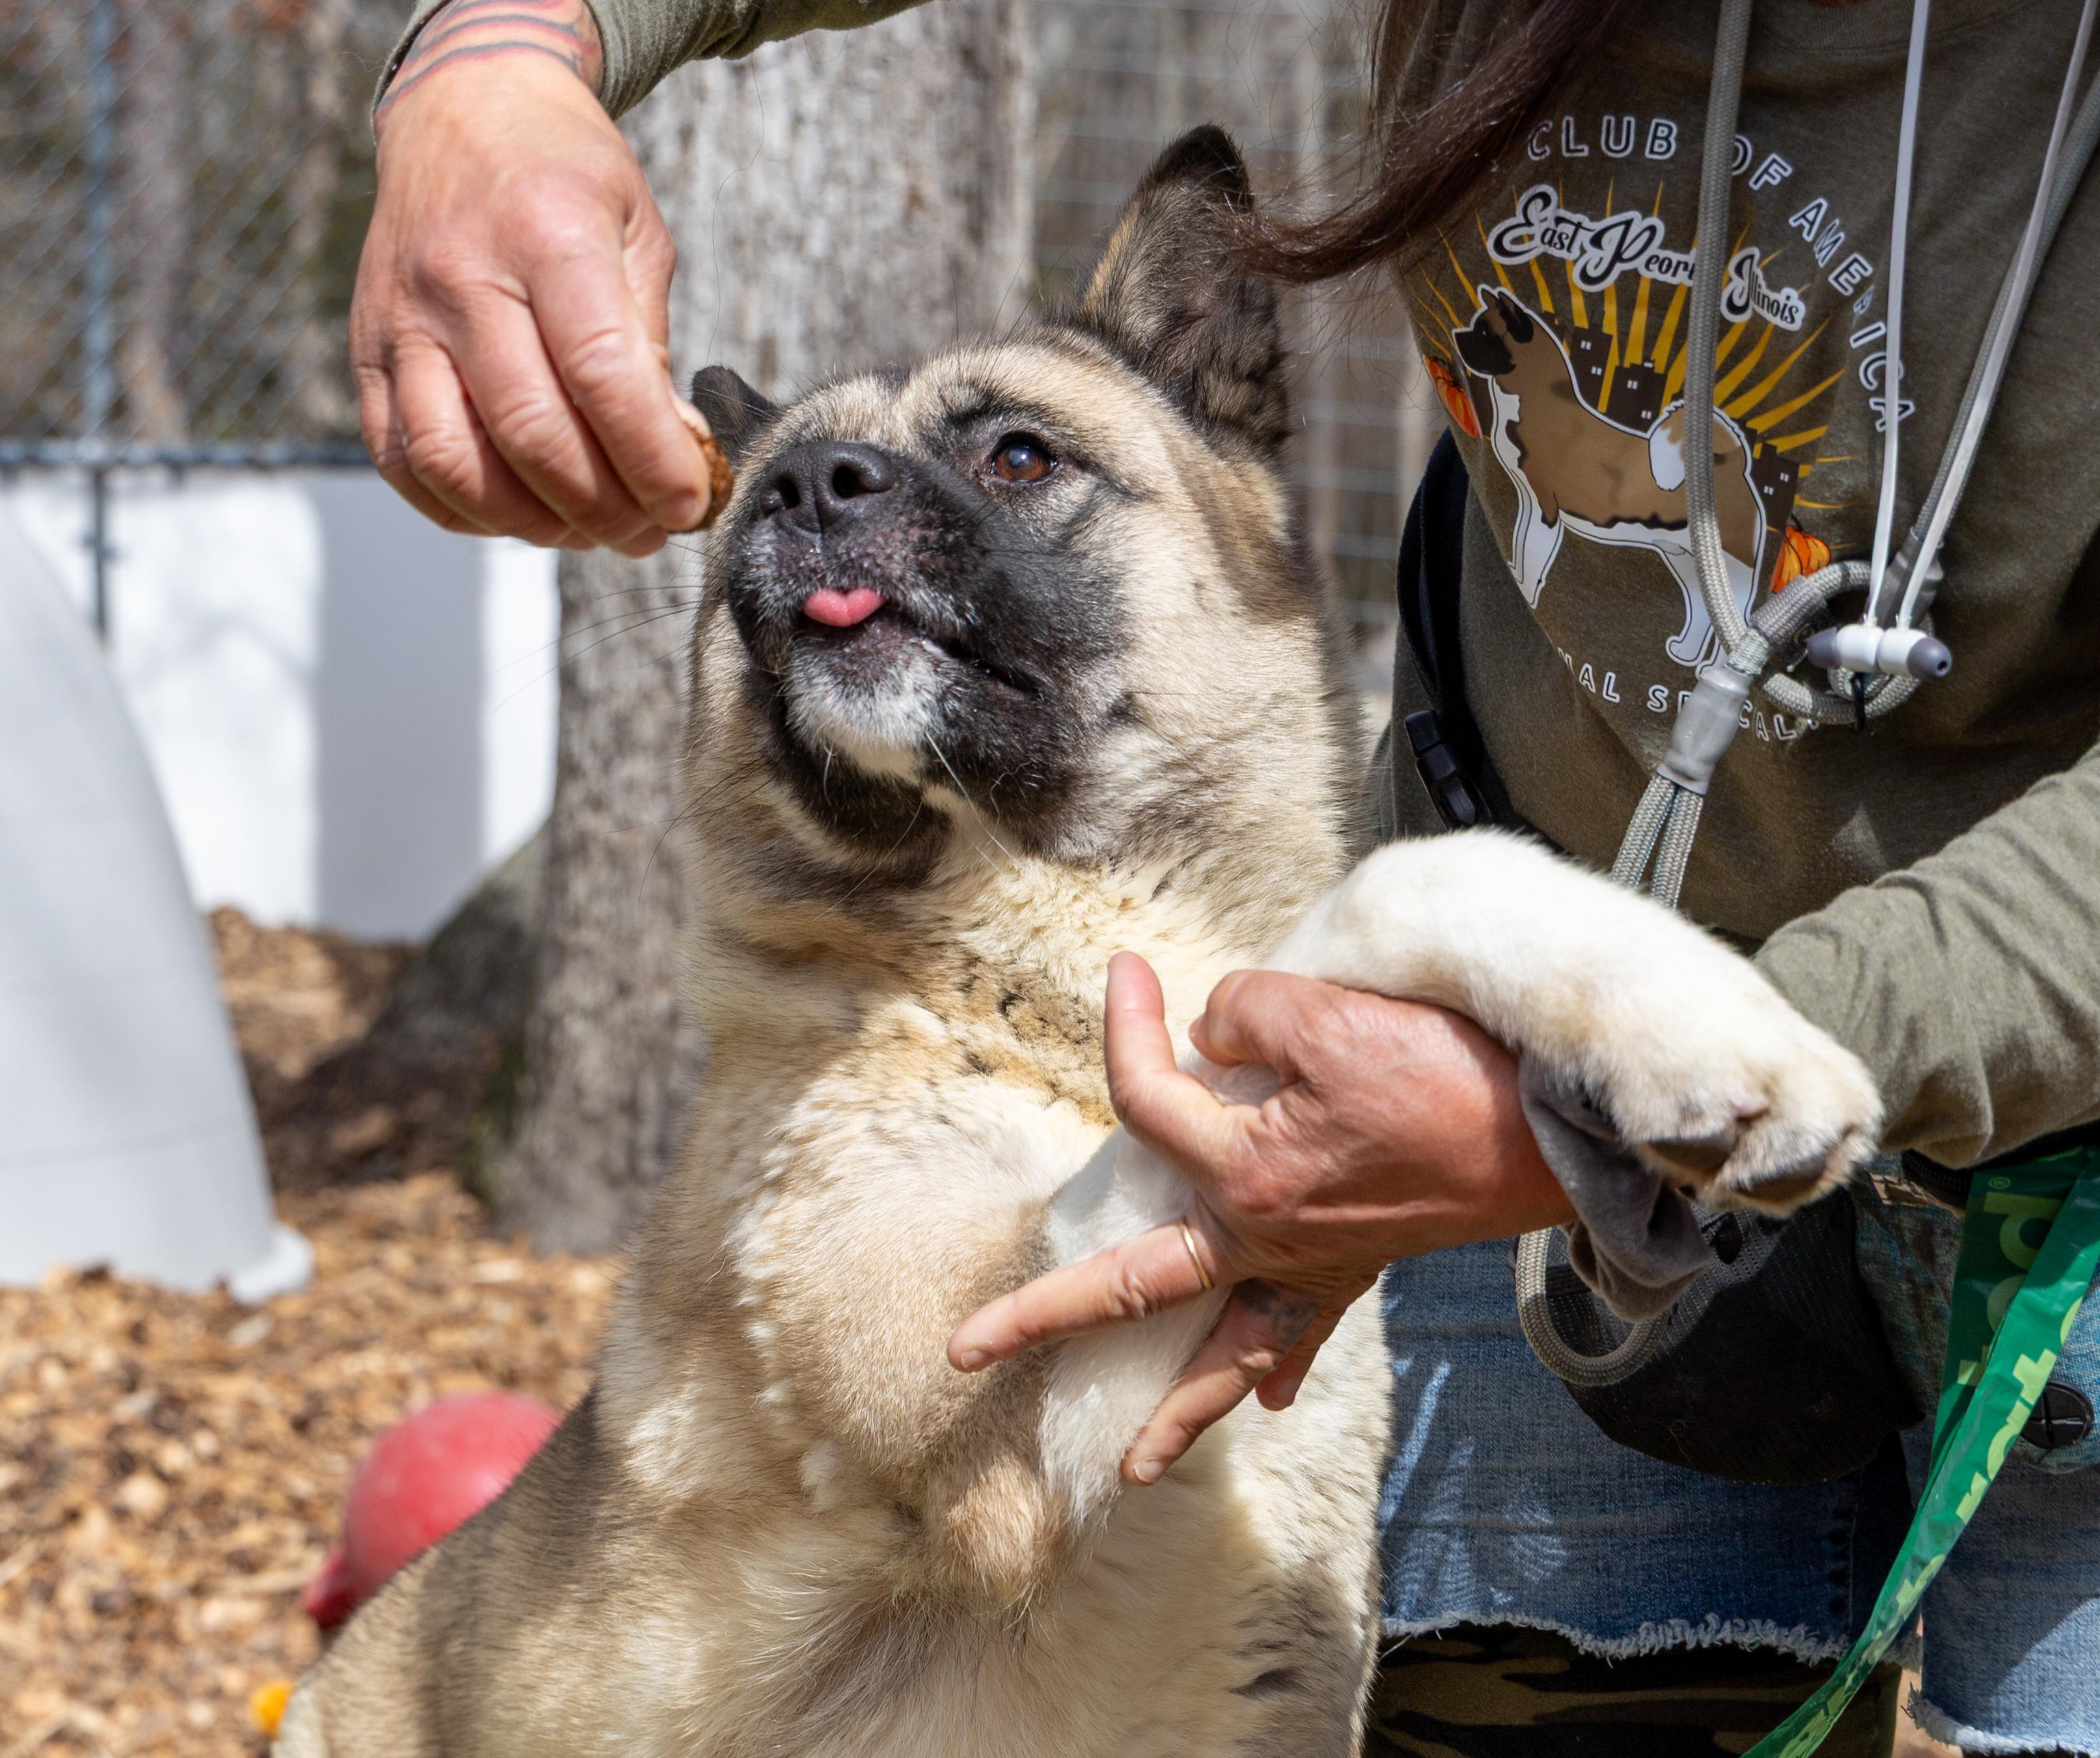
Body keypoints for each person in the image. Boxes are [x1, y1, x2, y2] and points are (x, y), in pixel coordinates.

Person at [352, 1, 2100, 1752]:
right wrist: (496, 52)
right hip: (1505, 1052)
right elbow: (993, 1447)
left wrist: (1499, 1023)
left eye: (1021, 461)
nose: (834, 492)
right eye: (792, 495)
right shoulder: (834, 1094)